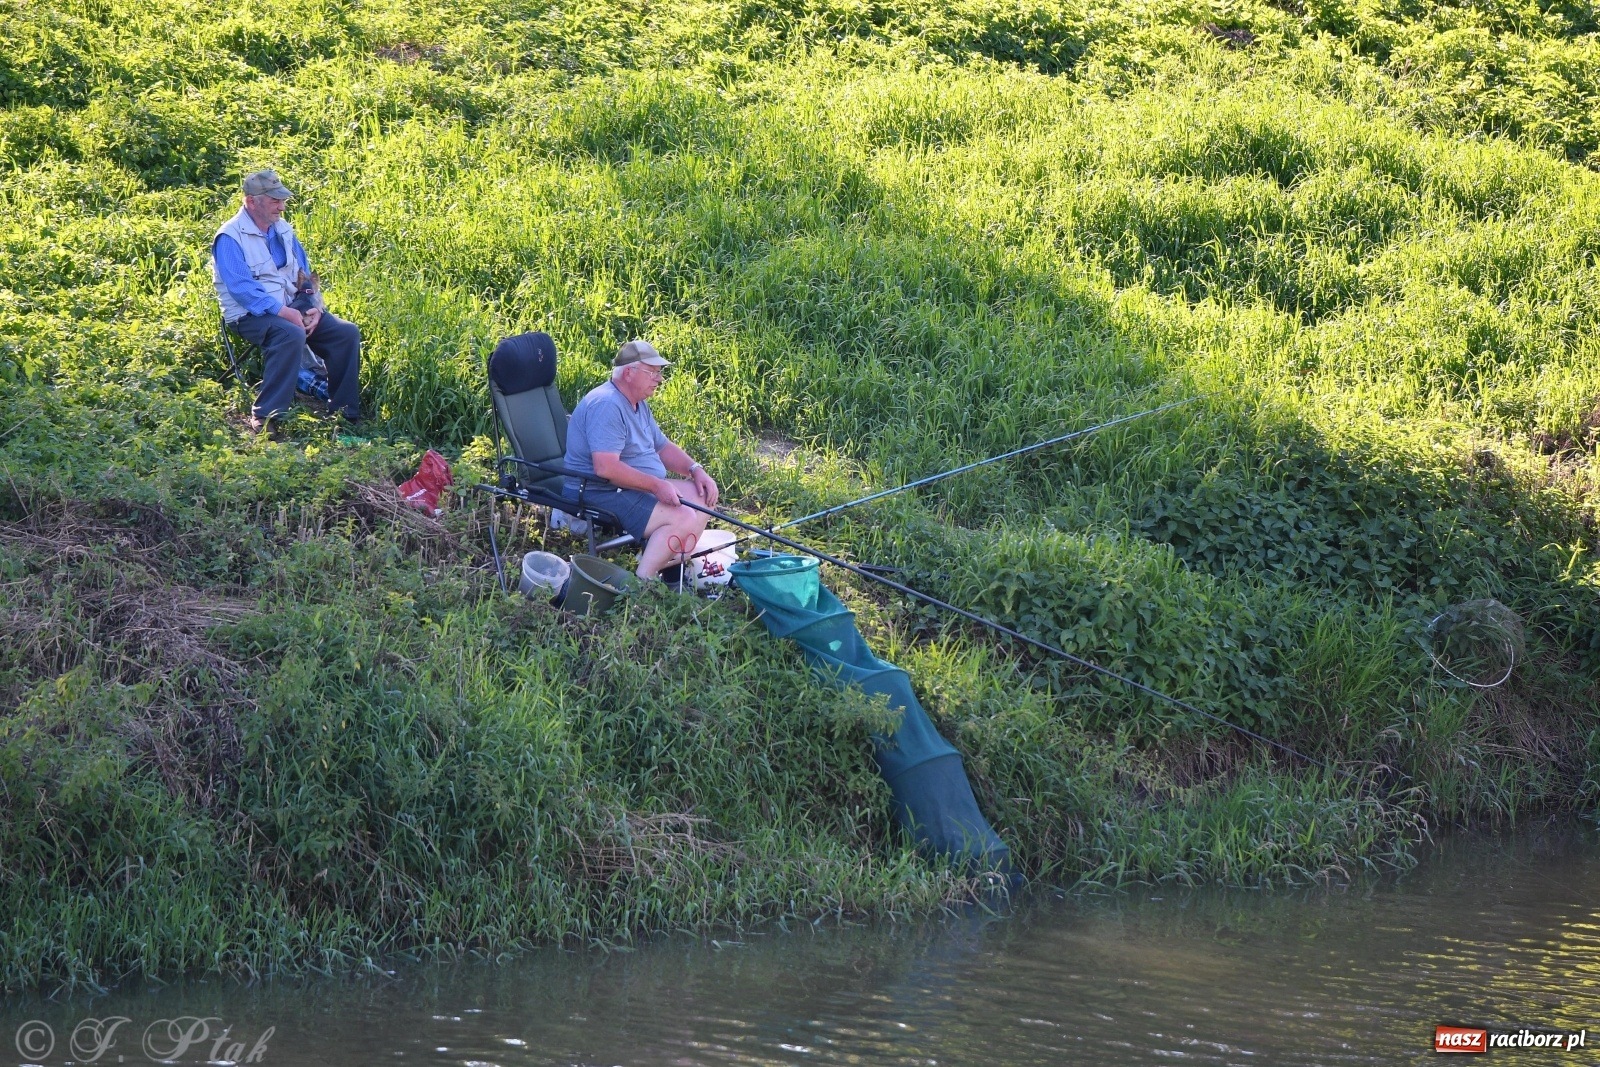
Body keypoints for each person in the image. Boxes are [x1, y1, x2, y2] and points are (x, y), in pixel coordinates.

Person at [210, 168, 363, 434]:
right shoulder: (230, 237)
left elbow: (304, 274)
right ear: (251, 201)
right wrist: (283, 312)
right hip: (250, 316)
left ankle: (344, 414)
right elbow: (242, 289)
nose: (281, 206)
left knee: (345, 333)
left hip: (294, 308)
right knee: (290, 332)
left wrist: (315, 307)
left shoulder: (282, 229)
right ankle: (267, 417)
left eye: (282, 200)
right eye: (274, 201)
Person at [563, 339, 720, 580]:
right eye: (653, 372)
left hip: (626, 488)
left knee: (703, 496)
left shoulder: (637, 403)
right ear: (628, 373)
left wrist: (695, 469)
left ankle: (667, 564)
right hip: (599, 490)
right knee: (683, 516)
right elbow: (605, 468)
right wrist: (657, 485)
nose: (659, 379)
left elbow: (662, 447)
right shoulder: (607, 405)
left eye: (659, 373)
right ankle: (642, 582)